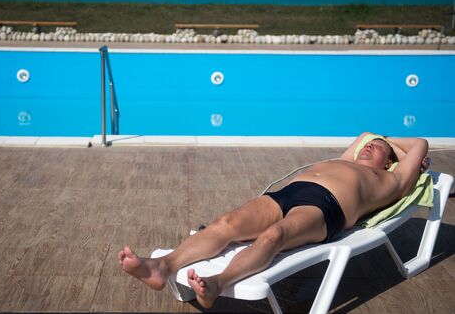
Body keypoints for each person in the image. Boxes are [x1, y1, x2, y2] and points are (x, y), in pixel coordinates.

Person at [118, 132, 428, 308]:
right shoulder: (346, 159)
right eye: (371, 144)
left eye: (379, 148)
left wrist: (399, 154)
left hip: (327, 207)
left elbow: (420, 144)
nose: (370, 144)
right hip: (288, 193)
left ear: (390, 162)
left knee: (273, 236)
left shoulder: (393, 180)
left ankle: (217, 283)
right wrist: (382, 141)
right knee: (226, 223)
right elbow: (365, 134)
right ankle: (162, 267)